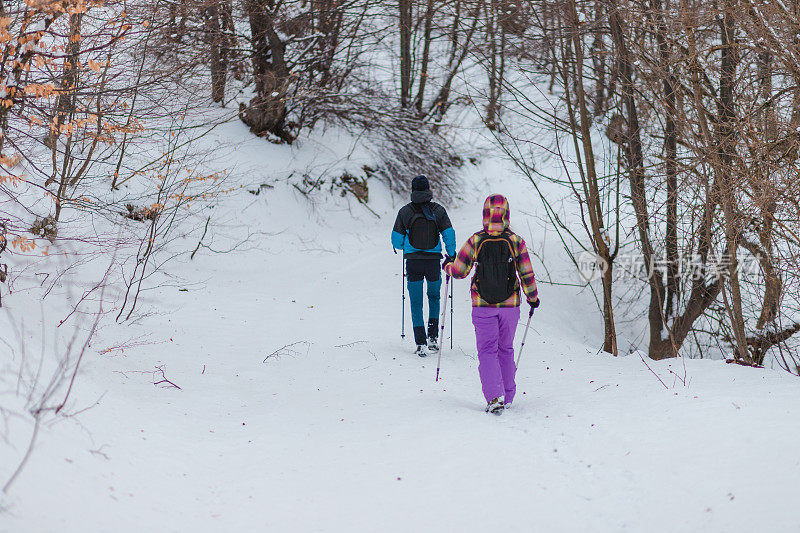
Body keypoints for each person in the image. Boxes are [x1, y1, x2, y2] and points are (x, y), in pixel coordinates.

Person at [444, 194, 539, 415]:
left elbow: (459, 271)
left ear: (485, 214)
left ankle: (494, 397)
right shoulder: (515, 241)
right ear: (507, 213)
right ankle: (508, 394)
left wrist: (447, 266)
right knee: (505, 349)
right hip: (510, 306)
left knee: (487, 351)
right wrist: (532, 298)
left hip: (482, 305)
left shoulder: (476, 240)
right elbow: (526, 273)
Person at [391, 176, 456, 357]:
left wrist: (408, 246)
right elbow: (449, 234)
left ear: (412, 190)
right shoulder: (438, 210)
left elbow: (396, 241)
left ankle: (420, 342)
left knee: (416, 302)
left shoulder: (405, 212)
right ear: (428, 189)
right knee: (434, 297)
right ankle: (433, 337)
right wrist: (451, 255)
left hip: (413, 262)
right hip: (433, 262)